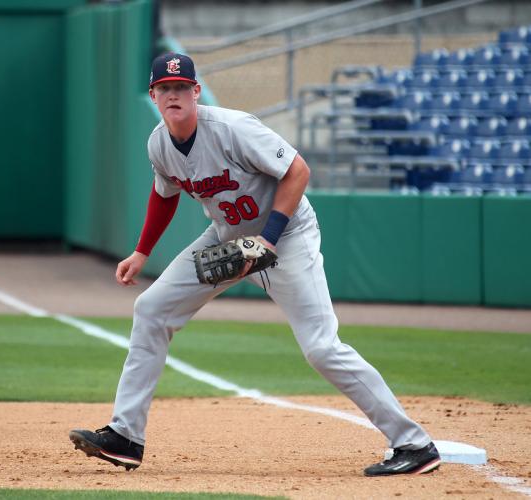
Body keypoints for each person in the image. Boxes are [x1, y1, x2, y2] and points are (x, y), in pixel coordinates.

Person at [69, 52, 441, 477]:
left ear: (195, 91)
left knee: (321, 347)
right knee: (151, 308)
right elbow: (164, 193)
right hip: (229, 239)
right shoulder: (159, 143)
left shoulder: (232, 128)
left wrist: (269, 238)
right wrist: (141, 252)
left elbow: (298, 171)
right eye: (163, 88)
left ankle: (414, 444)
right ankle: (125, 436)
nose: (172, 95)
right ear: (153, 96)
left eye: (180, 87)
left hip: (288, 237)